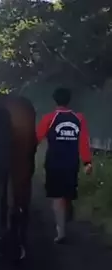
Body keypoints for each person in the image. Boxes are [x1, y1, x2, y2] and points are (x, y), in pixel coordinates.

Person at [36, 87, 93, 244]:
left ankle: (61, 231)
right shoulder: (79, 118)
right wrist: (87, 162)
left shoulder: (49, 118)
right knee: (67, 194)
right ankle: (65, 218)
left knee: (57, 197)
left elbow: (37, 138)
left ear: (54, 100)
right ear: (69, 100)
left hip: (54, 162)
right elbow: (84, 141)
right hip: (72, 163)